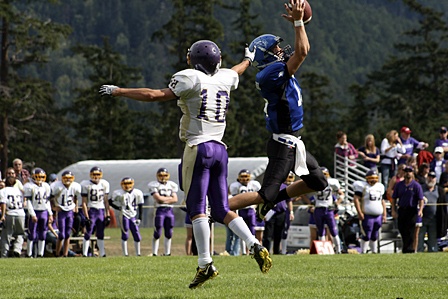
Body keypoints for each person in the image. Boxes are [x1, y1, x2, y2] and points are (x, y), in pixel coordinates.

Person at [99, 37, 271, 289]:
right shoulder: (224, 77)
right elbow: (236, 71)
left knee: (197, 208)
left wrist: (119, 91)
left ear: (193, 60)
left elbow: (154, 95)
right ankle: (254, 244)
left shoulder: (190, 78)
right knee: (221, 209)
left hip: (198, 148)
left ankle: (205, 264)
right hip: (220, 150)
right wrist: (248, 59)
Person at [228, 1, 327, 225]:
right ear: (265, 56)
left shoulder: (274, 70)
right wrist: (300, 22)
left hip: (294, 142)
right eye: (275, 49)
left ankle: (273, 201)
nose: (281, 51)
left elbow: (300, 49)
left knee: (318, 181)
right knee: (266, 193)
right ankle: (214, 207)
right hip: (284, 144)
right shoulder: (270, 73)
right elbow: (302, 51)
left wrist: (300, 25)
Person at [307, 167, 343, 254]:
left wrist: (336, 203)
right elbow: (304, 193)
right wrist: (311, 202)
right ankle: (322, 251)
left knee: (333, 230)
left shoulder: (332, 183)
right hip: (318, 208)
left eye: (325, 174)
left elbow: (341, 194)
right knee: (320, 231)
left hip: (328, 209)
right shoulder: (315, 183)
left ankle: (338, 250)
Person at [390, 165, 424, 253]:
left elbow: (421, 199)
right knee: (402, 229)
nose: (408, 173)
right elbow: (394, 198)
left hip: (412, 210)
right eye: (406, 171)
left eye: (409, 171)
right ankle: (406, 247)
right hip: (402, 209)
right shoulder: (399, 185)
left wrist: (420, 210)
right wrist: (393, 210)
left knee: (411, 230)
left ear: (412, 173)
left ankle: (410, 249)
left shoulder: (416, 185)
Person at [353, 170, 386, 254]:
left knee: (375, 235)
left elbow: (382, 201)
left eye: (375, 178)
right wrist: (359, 212)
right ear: (367, 179)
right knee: (366, 235)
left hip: (378, 215)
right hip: (367, 215)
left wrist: (384, 214)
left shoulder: (379, 187)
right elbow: (356, 199)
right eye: (371, 178)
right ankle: (363, 252)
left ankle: (374, 252)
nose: (373, 180)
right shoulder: (363, 187)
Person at [80, 166, 110, 257]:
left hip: (100, 210)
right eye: (94, 174)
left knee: (101, 232)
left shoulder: (104, 184)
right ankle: (84, 253)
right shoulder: (86, 184)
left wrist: (107, 214)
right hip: (91, 210)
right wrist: (86, 216)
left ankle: (102, 253)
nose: (96, 176)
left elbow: (106, 201)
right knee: (88, 232)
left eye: (98, 174)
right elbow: (84, 202)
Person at [50, 170, 81, 257]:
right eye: (66, 178)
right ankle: (57, 253)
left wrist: (76, 207)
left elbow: (75, 197)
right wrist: (53, 207)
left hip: (70, 211)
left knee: (67, 234)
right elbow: (51, 197)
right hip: (61, 211)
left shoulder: (75, 186)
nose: (67, 180)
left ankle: (65, 254)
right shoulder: (57, 186)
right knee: (61, 234)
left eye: (69, 178)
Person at [148, 168, 178, 256]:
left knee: (169, 232)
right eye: (161, 175)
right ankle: (154, 253)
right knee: (157, 232)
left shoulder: (172, 185)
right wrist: (169, 199)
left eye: (165, 175)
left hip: (169, 210)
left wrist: (164, 200)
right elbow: (158, 199)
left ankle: (167, 253)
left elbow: (175, 199)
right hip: (159, 210)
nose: (163, 177)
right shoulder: (154, 185)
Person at [110, 177, 144, 256]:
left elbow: (141, 205)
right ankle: (125, 254)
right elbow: (110, 202)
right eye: (125, 184)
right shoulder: (118, 193)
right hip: (124, 214)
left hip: (133, 215)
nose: (127, 186)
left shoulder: (137, 192)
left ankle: (138, 253)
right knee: (125, 234)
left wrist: (140, 217)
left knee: (136, 234)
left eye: (129, 183)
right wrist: (118, 208)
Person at [229, 169, 261, 254]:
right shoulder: (236, 186)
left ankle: (252, 250)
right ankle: (243, 252)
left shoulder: (254, 184)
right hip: (241, 210)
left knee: (252, 230)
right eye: (242, 177)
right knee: (242, 231)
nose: (244, 179)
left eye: (246, 176)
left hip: (251, 210)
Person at [24, 168, 53, 258]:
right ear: (33, 176)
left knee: (43, 233)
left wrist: (50, 213)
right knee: (32, 233)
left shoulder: (46, 186)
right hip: (35, 211)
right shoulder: (29, 186)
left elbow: (47, 201)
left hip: (44, 211)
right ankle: (29, 254)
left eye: (41, 177)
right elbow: (28, 202)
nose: (40, 178)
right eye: (38, 176)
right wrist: (32, 214)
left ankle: (41, 254)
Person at [0, 176, 26, 257]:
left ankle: (4, 254)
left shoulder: (3, 191)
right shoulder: (19, 191)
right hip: (21, 214)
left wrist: (3, 215)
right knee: (20, 234)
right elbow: (24, 200)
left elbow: (3, 203)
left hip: (10, 213)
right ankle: (17, 249)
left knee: (6, 235)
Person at [417, 172, 440, 252]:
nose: (431, 179)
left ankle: (433, 253)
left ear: (435, 179)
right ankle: (419, 252)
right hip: (422, 218)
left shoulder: (439, 190)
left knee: (432, 238)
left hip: (434, 218)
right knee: (420, 237)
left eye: (433, 177)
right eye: (429, 177)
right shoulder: (421, 188)